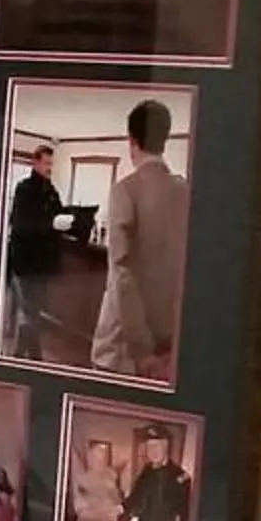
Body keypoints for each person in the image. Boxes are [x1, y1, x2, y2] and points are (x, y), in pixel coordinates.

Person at [91, 99, 191, 381]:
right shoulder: (185, 192)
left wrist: (142, 349)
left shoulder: (125, 190)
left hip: (125, 347)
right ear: (165, 139)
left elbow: (122, 273)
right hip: (169, 340)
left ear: (131, 141)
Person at [5, 143, 65, 358]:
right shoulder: (24, 189)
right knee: (29, 307)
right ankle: (34, 353)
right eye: (46, 163)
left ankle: (21, 352)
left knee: (35, 308)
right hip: (25, 259)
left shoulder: (51, 191)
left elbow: (58, 212)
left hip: (43, 261)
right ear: (36, 162)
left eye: (51, 163)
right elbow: (21, 223)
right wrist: (48, 223)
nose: (50, 168)